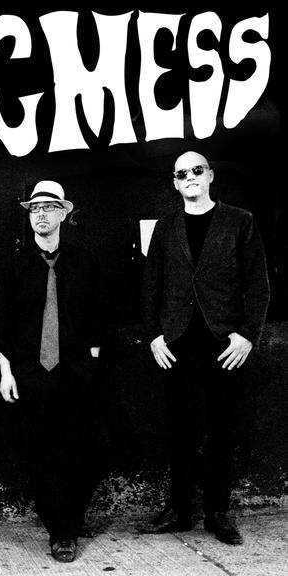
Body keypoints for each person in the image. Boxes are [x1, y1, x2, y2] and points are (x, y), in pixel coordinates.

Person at [141, 151, 270, 545]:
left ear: (210, 175)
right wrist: (154, 335)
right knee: (179, 430)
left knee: (221, 430)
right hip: (177, 344)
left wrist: (247, 335)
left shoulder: (240, 221)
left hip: (223, 344)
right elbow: (150, 285)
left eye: (197, 170)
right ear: (175, 183)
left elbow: (258, 285)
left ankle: (217, 512)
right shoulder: (166, 227)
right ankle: (179, 510)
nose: (190, 177)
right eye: (182, 173)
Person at [0, 181, 104, 563]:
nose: (40, 214)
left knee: (83, 450)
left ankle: (70, 517)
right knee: (41, 453)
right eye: (34, 208)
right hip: (31, 373)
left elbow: (97, 316)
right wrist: (6, 373)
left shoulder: (84, 261)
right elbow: (2, 324)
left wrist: (91, 362)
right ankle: (61, 532)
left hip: (75, 372)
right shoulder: (14, 265)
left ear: (63, 213)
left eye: (48, 207)